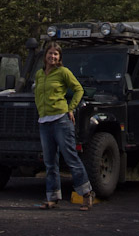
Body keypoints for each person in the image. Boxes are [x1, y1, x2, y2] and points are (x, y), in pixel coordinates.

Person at [34, 41, 94, 210]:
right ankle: (52, 197)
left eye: (56, 54)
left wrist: (71, 108)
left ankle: (86, 194)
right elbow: (37, 93)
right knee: (50, 162)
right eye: (50, 53)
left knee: (70, 158)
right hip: (44, 122)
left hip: (60, 120)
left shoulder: (63, 72)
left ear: (59, 57)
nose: (52, 56)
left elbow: (79, 89)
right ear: (45, 55)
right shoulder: (39, 74)